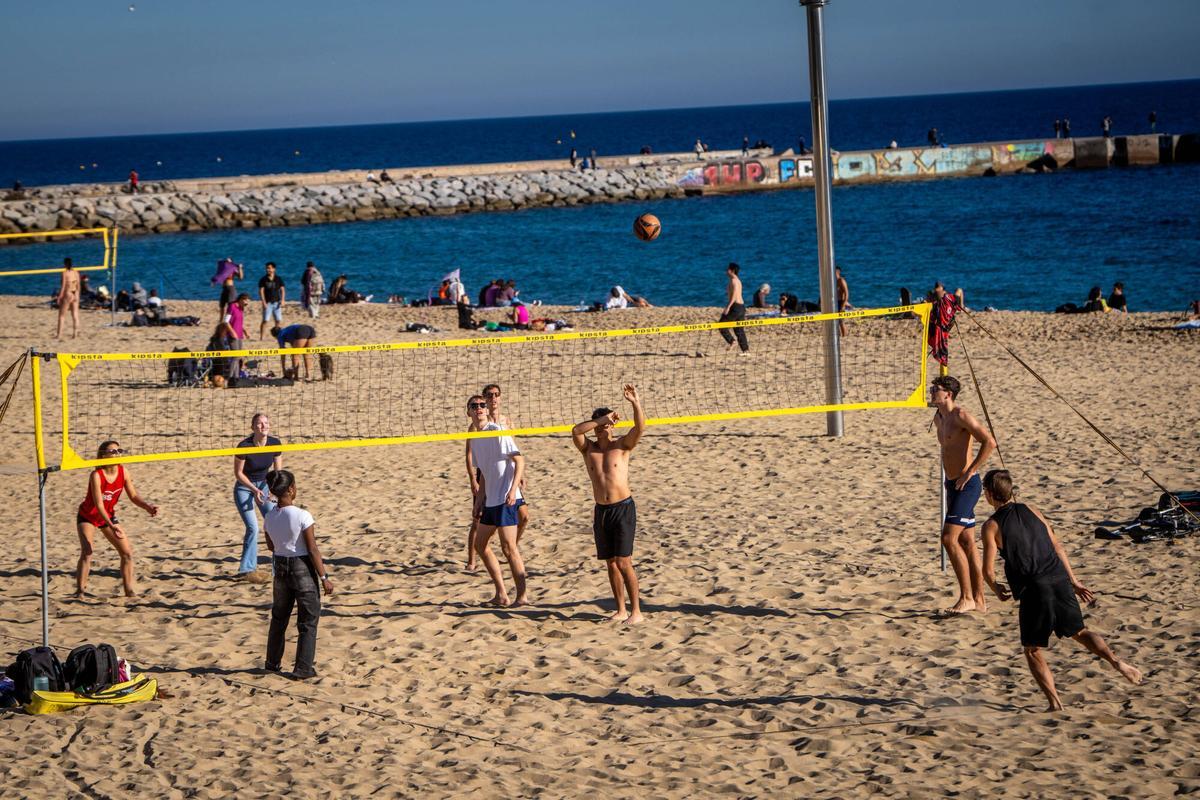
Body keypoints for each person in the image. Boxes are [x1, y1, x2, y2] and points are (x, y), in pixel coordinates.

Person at [979, 469, 1142, 711]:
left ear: (990, 495)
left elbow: (988, 571)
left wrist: (995, 589)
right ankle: (1117, 662)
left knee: (1032, 649)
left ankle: (1055, 703)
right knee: (1081, 632)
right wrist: (1074, 581)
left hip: (1035, 588)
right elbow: (1057, 546)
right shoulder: (1033, 510)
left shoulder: (991, 526)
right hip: (1058, 578)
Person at [571, 384, 646, 624]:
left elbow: (640, 427)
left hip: (622, 508)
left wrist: (635, 402)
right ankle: (620, 610)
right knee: (611, 563)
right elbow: (576, 430)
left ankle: (636, 612)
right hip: (601, 511)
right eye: (599, 425)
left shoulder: (622, 446)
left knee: (624, 562)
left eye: (606, 424)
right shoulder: (588, 449)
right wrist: (601, 419)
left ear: (612, 426)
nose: (603, 429)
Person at [930, 375, 996, 615]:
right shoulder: (939, 417)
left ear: (948, 393)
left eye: (935, 389)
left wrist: (971, 470)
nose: (931, 391)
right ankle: (979, 600)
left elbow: (989, 442)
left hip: (967, 486)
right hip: (951, 484)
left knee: (949, 539)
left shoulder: (960, 416)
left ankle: (966, 597)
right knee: (967, 542)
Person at [263, 469, 334, 680]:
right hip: (302, 568)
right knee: (308, 621)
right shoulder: (303, 515)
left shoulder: (269, 516)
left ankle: (272, 663)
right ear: (292, 489)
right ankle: (303, 668)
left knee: (279, 619)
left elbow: (270, 545)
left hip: (280, 568)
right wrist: (324, 578)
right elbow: (313, 549)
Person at [75, 440, 159, 597]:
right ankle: (80, 591)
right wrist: (112, 526)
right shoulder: (96, 475)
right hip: (89, 516)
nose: (117, 454)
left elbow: (133, 496)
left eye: (119, 451)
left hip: (108, 515)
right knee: (87, 551)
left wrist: (147, 506)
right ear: (102, 456)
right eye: (112, 451)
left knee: (127, 553)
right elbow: (99, 505)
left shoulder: (124, 472)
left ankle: (129, 591)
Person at [467, 395, 528, 607]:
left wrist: (513, 490)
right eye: (474, 406)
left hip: (506, 498)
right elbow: (484, 472)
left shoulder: (497, 431)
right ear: (469, 412)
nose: (479, 409)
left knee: (509, 548)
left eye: (482, 405)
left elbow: (519, 461)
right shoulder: (476, 438)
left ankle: (522, 596)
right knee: (480, 545)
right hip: (491, 499)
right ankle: (501, 594)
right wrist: (479, 499)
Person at [233, 413, 283, 583]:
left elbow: (277, 473)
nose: (263, 426)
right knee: (253, 528)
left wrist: (273, 492)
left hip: (265, 485)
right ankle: (247, 569)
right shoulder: (244, 445)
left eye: (266, 423)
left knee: (274, 524)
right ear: (253, 427)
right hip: (245, 487)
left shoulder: (274, 443)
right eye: (259, 424)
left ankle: (280, 567)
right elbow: (238, 473)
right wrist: (254, 490)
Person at [719, 262, 749, 353]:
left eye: (728, 269)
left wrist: (728, 307)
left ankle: (732, 341)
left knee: (721, 325)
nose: (726, 271)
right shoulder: (737, 280)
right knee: (739, 329)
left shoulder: (734, 281)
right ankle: (746, 351)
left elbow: (735, 296)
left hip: (735, 307)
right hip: (741, 307)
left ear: (732, 271)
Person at [220, 293, 250, 379]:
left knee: (238, 357)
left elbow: (239, 323)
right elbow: (226, 321)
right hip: (232, 336)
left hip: (240, 335)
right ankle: (229, 377)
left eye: (247, 301)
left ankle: (236, 377)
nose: (246, 303)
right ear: (240, 299)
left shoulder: (241, 308)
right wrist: (232, 332)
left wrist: (245, 332)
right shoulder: (232, 306)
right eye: (245, 300)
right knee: (235, 356)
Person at [259, 262, 286, 340]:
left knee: (278, 320)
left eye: (270, 268)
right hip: (268, 303)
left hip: (277, 302)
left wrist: (283, 300)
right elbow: (261, 291)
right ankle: (262, 337)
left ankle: (277, 335)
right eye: (267, 268)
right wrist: (263, 302)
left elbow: (282, 290)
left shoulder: (278, 279)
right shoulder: (263, 279)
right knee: (265, 320)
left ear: (274, 269)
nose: (268, 270)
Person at [55, 257, 80, 339]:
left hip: (68, 293)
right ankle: (75, 334)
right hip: (75, 293)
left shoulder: (65, 273)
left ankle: (59, 335)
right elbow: (78, 286)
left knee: (62, 316)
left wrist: (60, 297)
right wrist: (77, 295)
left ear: (65, 264)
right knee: (75, 315)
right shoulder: (76, 272)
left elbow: (63, 286)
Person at [835, 265, 851, 337]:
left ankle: (844, 336)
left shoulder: (841, 280)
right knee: (835, 321)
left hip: (841, 302)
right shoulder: (833, 281)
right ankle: (838, 336)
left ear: (838, 272)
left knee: (841, 321)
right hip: (835, 303)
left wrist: (843, 305)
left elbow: (846, 293)